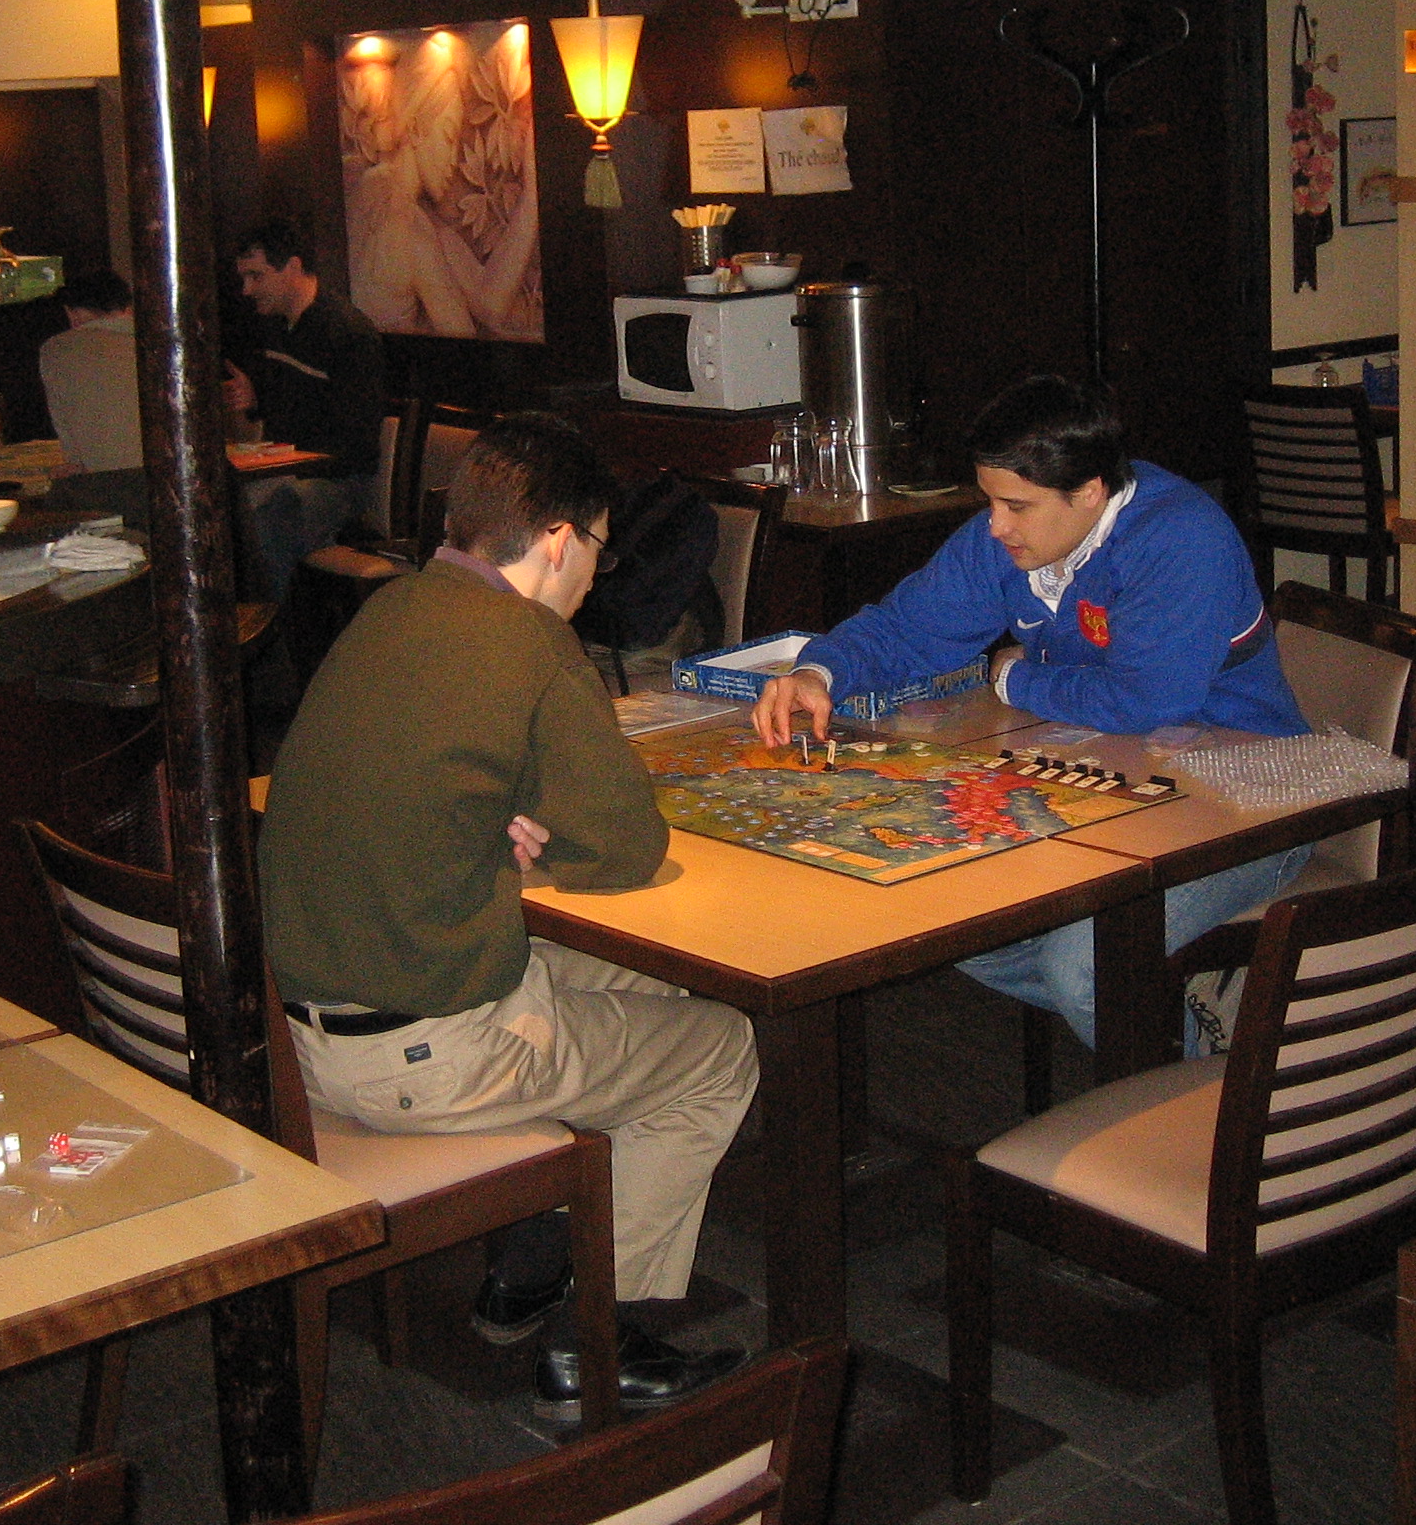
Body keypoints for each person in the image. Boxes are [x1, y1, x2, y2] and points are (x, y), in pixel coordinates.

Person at [259, 411, 755, 1420]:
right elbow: (628, 847)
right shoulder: (533, 641)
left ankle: (531, 1264)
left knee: (653, 983)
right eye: (599, 549)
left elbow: (439, 782)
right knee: (719, 1050)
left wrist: (515, 826)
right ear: (561, 541)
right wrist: (553, 832)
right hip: (422, 1051)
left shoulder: (390, 606)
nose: (596, 578)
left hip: (302, 1037)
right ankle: (600, 1345)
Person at [752, 375, 1308, 1051]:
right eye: (989, 501)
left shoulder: (1180, 536)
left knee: (1084, 967)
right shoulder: (1015, 535)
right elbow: (908, 626)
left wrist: (1015, 678)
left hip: (1253, 803)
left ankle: (1229, 1089)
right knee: (952, 915)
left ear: (1091, 492)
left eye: (1015, 506)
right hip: (1117, 783)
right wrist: (818, 671)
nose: (995, 526)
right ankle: (1169, 1005)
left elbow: (1147, 700)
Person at [224, 222, 386, 600]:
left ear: (293, 267)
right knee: (223, 506)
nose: (246, 290)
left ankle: (273, 627)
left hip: (339, 482)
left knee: (267, 514)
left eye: (256, 276)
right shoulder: (272, 326)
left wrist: (285, 461)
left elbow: (357, 444)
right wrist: (254, 399)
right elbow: (281, 407)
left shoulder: (349, 333)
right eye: (244, 278)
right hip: (287, 470)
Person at [37, 269, 141, 474]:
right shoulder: (160, 340)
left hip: (107, 480)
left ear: (71, 312)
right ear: (128, 305)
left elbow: (70, 440)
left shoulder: (56, 350)